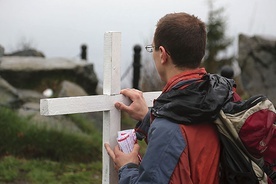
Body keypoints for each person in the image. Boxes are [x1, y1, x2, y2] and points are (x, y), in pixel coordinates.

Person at [105, 12, 241, 183]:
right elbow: (188, 145)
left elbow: (174, 138)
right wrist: (148, 117)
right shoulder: (225, 97)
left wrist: (128, 167)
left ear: (162, 54)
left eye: (152, 48)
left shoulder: (169, 127)